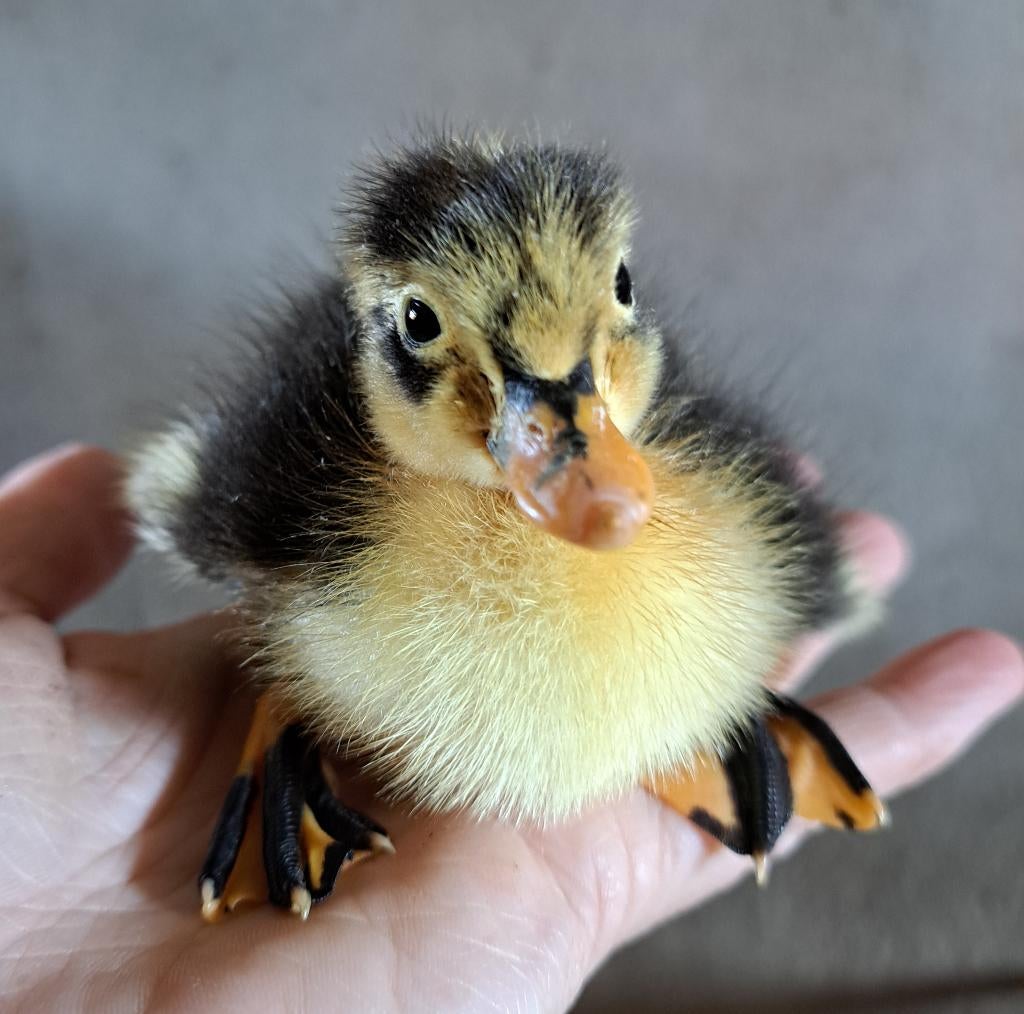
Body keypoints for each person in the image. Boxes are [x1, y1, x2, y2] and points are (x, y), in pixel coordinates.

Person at [0, 444, 1020, 1012]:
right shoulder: (321, 499)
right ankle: (283, 728)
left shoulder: (675, 477)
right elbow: (190, 486)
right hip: (368, 549)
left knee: (779, 564)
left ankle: (710, 717)